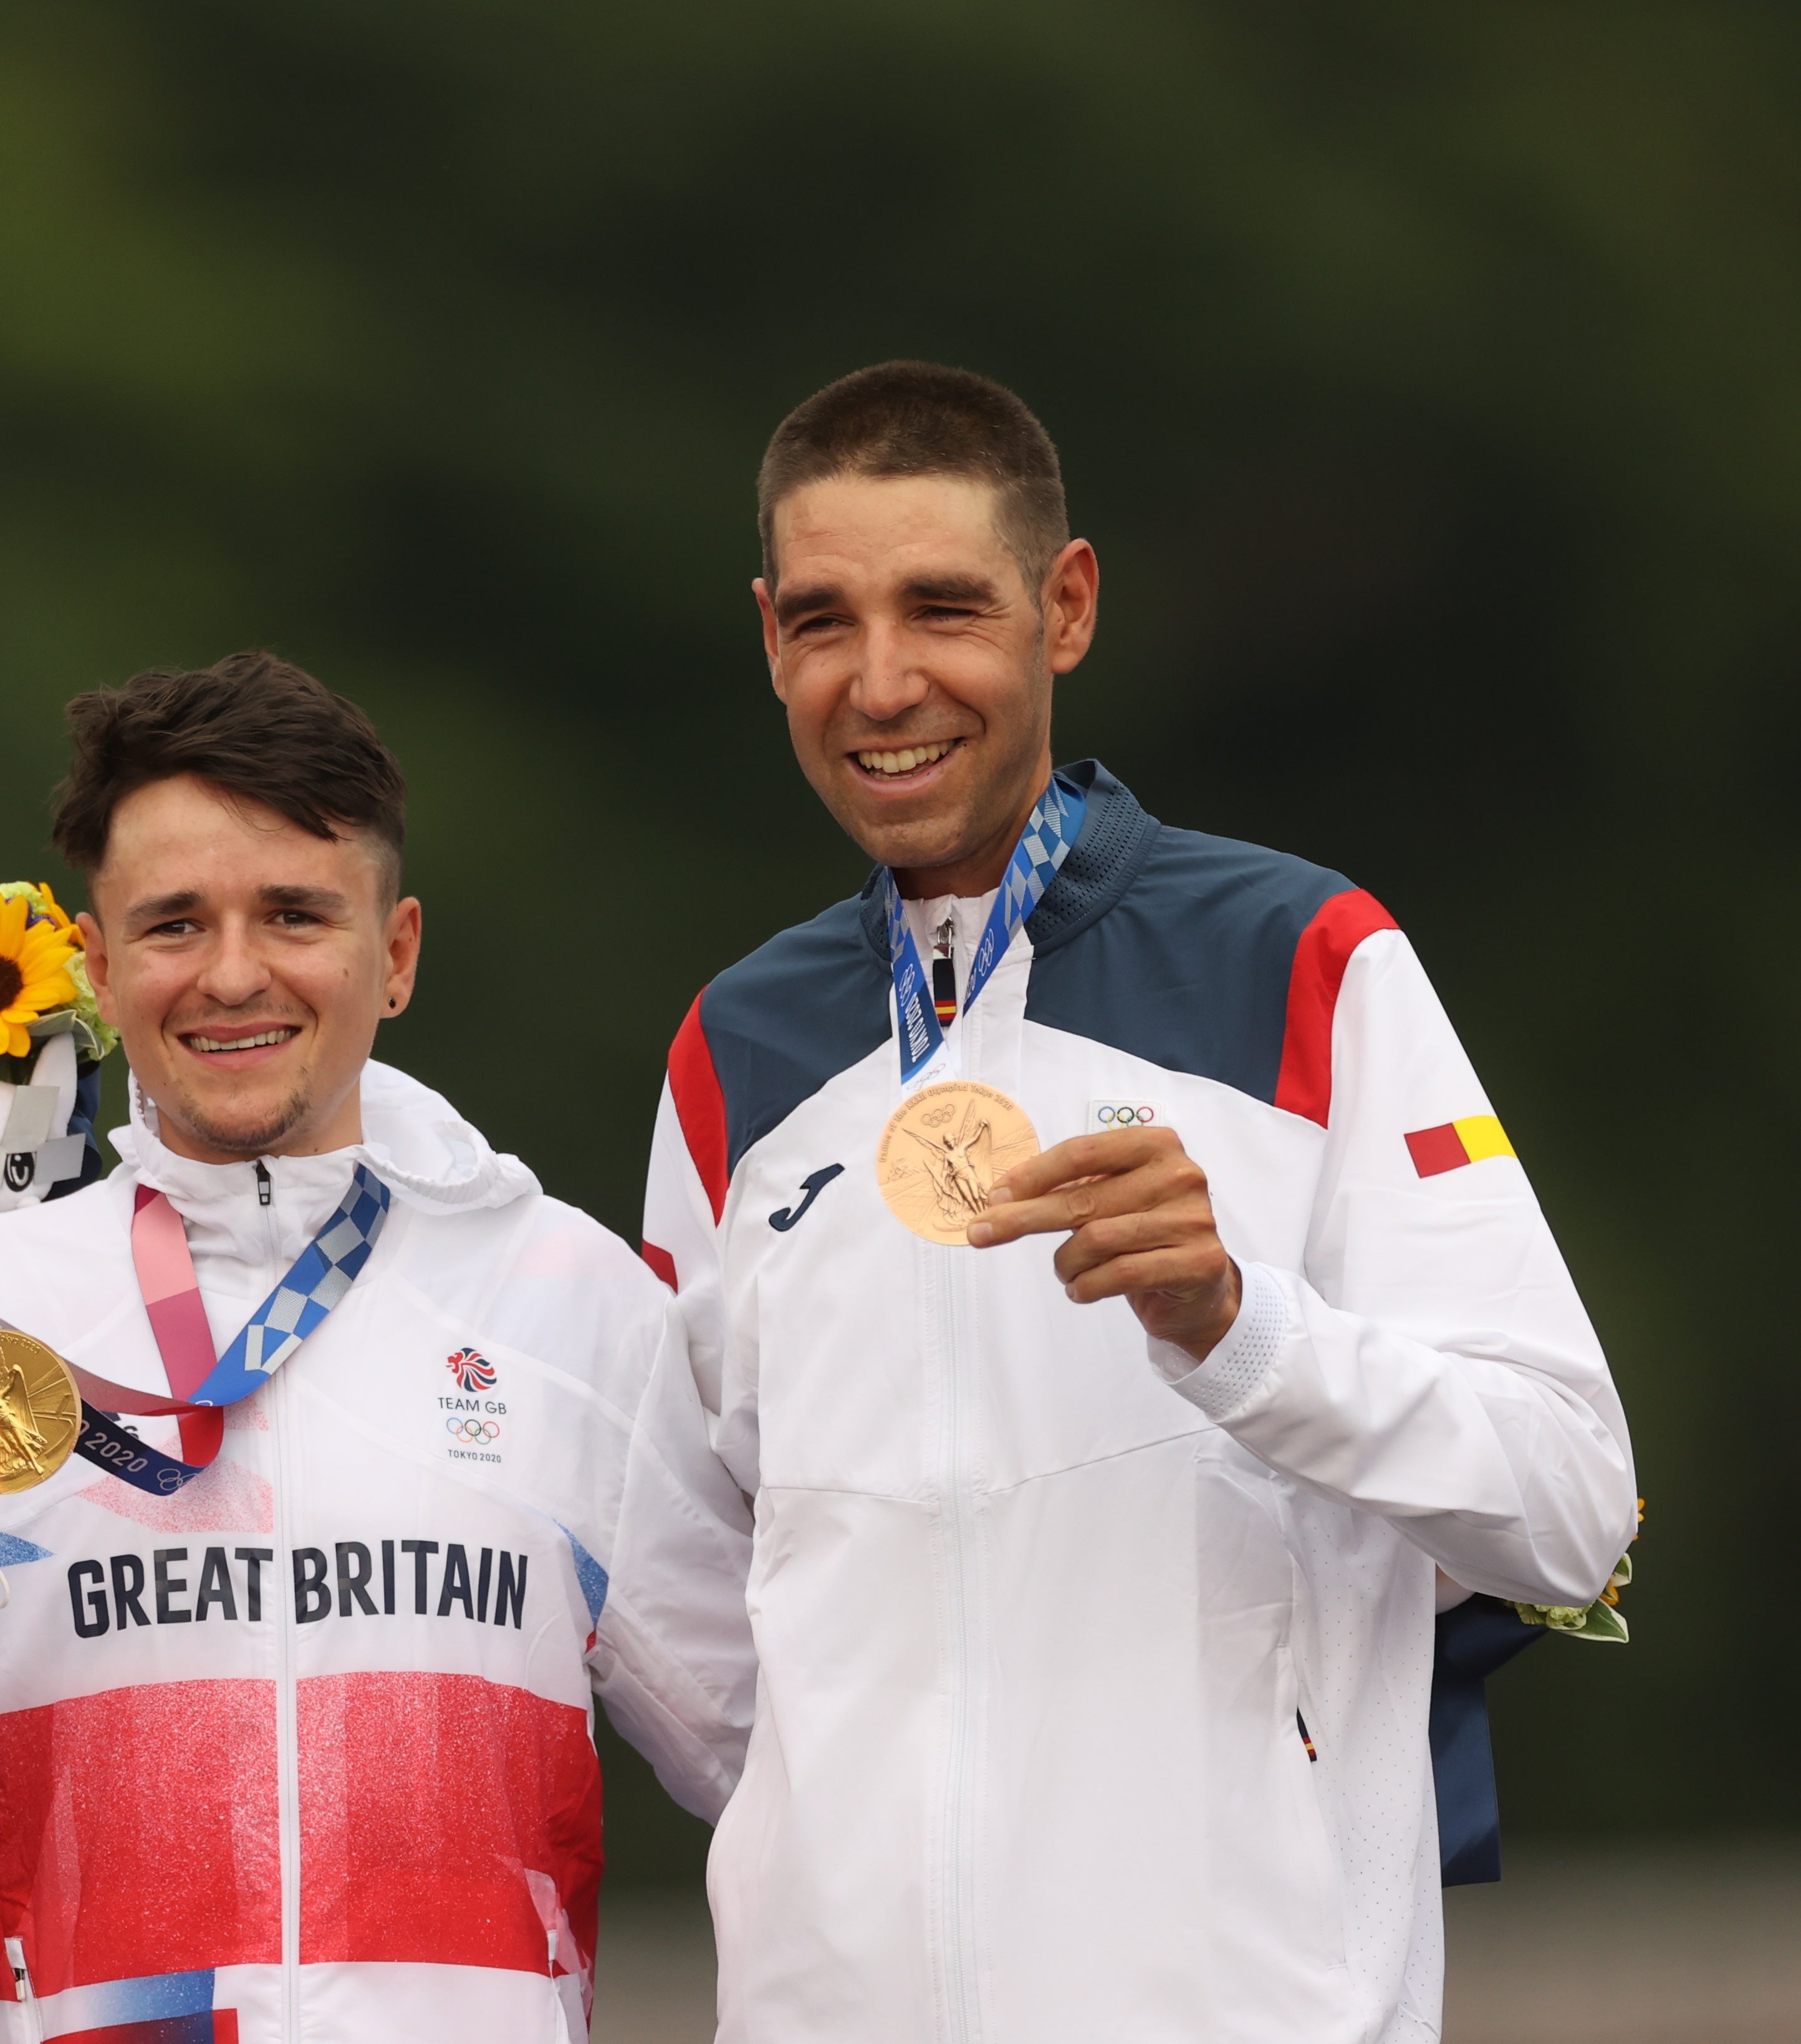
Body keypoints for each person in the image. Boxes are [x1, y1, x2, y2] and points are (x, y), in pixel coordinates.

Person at [639, 362, 1634, 2040]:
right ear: (766, 640)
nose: (882, 682)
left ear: (1066, 607)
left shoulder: (1302, 959)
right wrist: (861, 1848)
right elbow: (675, 1598)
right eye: (823, 620)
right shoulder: (731, 1053)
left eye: (944, 607)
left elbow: (1568, 1503)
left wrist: (1248, 1333)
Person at [0, 653, 754, 2042]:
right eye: (174, 924)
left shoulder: (569, 1298)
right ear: (98, 972)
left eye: (295, 913)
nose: (234, 975)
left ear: (394, 955)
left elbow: (770, 1756)